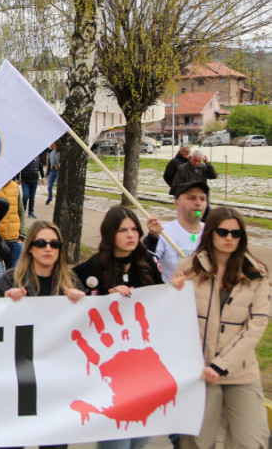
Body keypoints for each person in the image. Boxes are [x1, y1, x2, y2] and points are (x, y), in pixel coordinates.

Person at [172, 207, 270, 449]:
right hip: (200, 372)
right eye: (223, 232)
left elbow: (257, 325)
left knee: (251, 441)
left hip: (241, 372)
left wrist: (221, 365)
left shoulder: (257, 273)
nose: (229, 238)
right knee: (197, 443)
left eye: (236, 234)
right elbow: (174, 321)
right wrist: (173, 293)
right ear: (210, 233)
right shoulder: (188, 269)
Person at [73, 206, 163, 301]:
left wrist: (175, 286)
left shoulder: (148, 260)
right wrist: (109, 297)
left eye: (134, 229)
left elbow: (163, 295)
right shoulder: (94, 265)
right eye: (122, 230)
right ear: (110, 233)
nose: (131, 235)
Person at [0, 220, 85, 302]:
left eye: (55, 244)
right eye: (41, 243)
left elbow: (84, 316)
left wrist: (82, 301)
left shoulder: (71, 280)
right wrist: (6, 301)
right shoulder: (10, 279)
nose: (48, 249)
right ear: (30, 247)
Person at [145, 181, 207, 282]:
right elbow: (145, 263)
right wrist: (152, 237)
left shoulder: (212, 232)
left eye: (202, 199)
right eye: (192, 198)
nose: (198, 203)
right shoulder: (164, 233)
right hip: (173, 293)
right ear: (177, 204)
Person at [0, 178, 25, 273]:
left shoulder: (15, 186)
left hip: (15, 240)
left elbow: (21, 211)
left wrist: (22, 235)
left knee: (14, 277)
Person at [18, 153, 44, 219]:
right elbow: (19, 168)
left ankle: (31, 212)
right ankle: (22, 210)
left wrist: (43, 177)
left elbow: (40, 167)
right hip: (25, 180)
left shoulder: (37, 157)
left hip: (34, 181)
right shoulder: (24, 158)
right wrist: (18, 178)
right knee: (26, 196)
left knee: (32, 197)